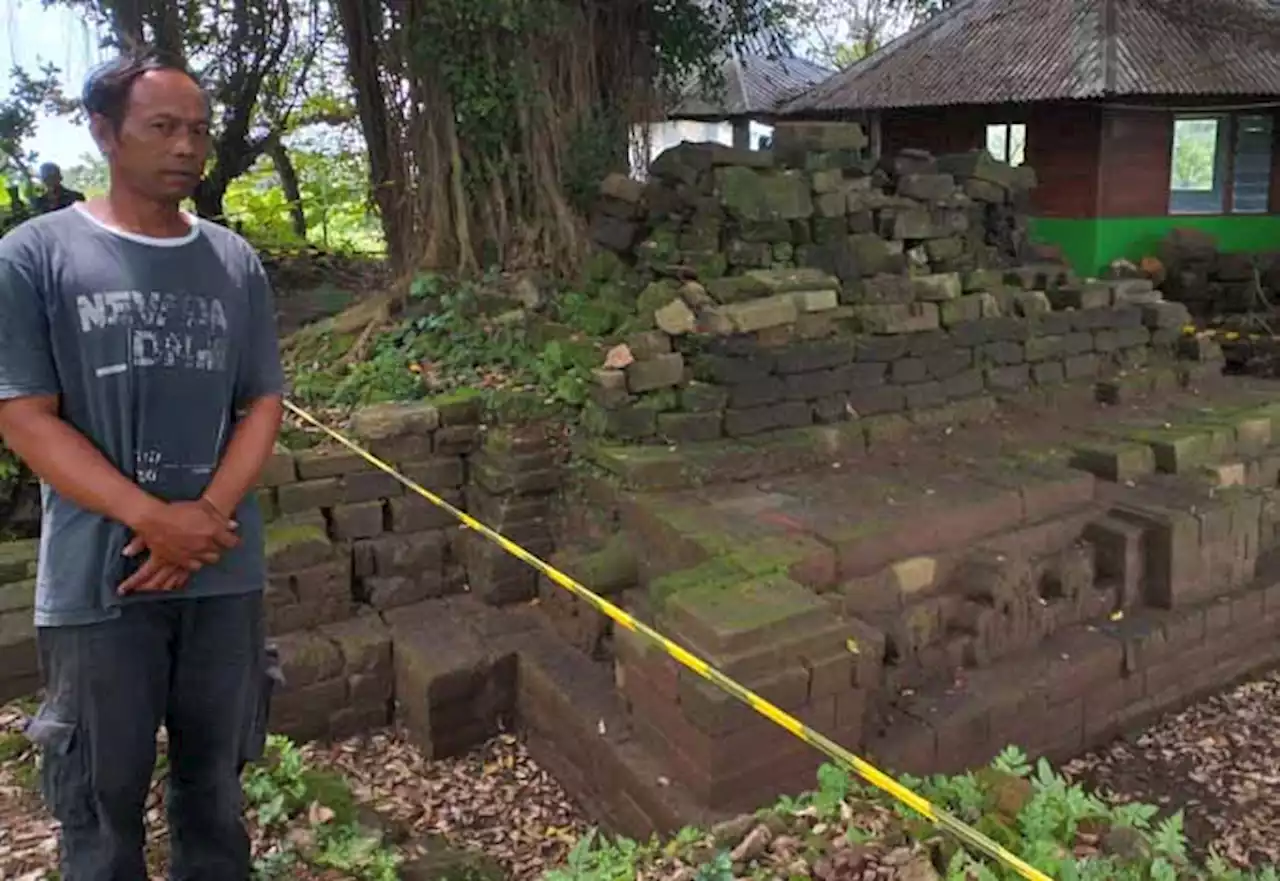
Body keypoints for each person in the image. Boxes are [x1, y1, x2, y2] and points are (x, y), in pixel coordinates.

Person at [0, 48, 284, 881]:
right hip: (99, 580)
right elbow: (23, 415)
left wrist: (202, 520)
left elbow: (261, 401)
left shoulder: (234, 262)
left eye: (197, 129)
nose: (186, 147)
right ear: (104, 133)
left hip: (221, 574)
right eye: (162, 127)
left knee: (216, 791)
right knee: (98, 799)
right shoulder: (35, 254)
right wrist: (150, 517)